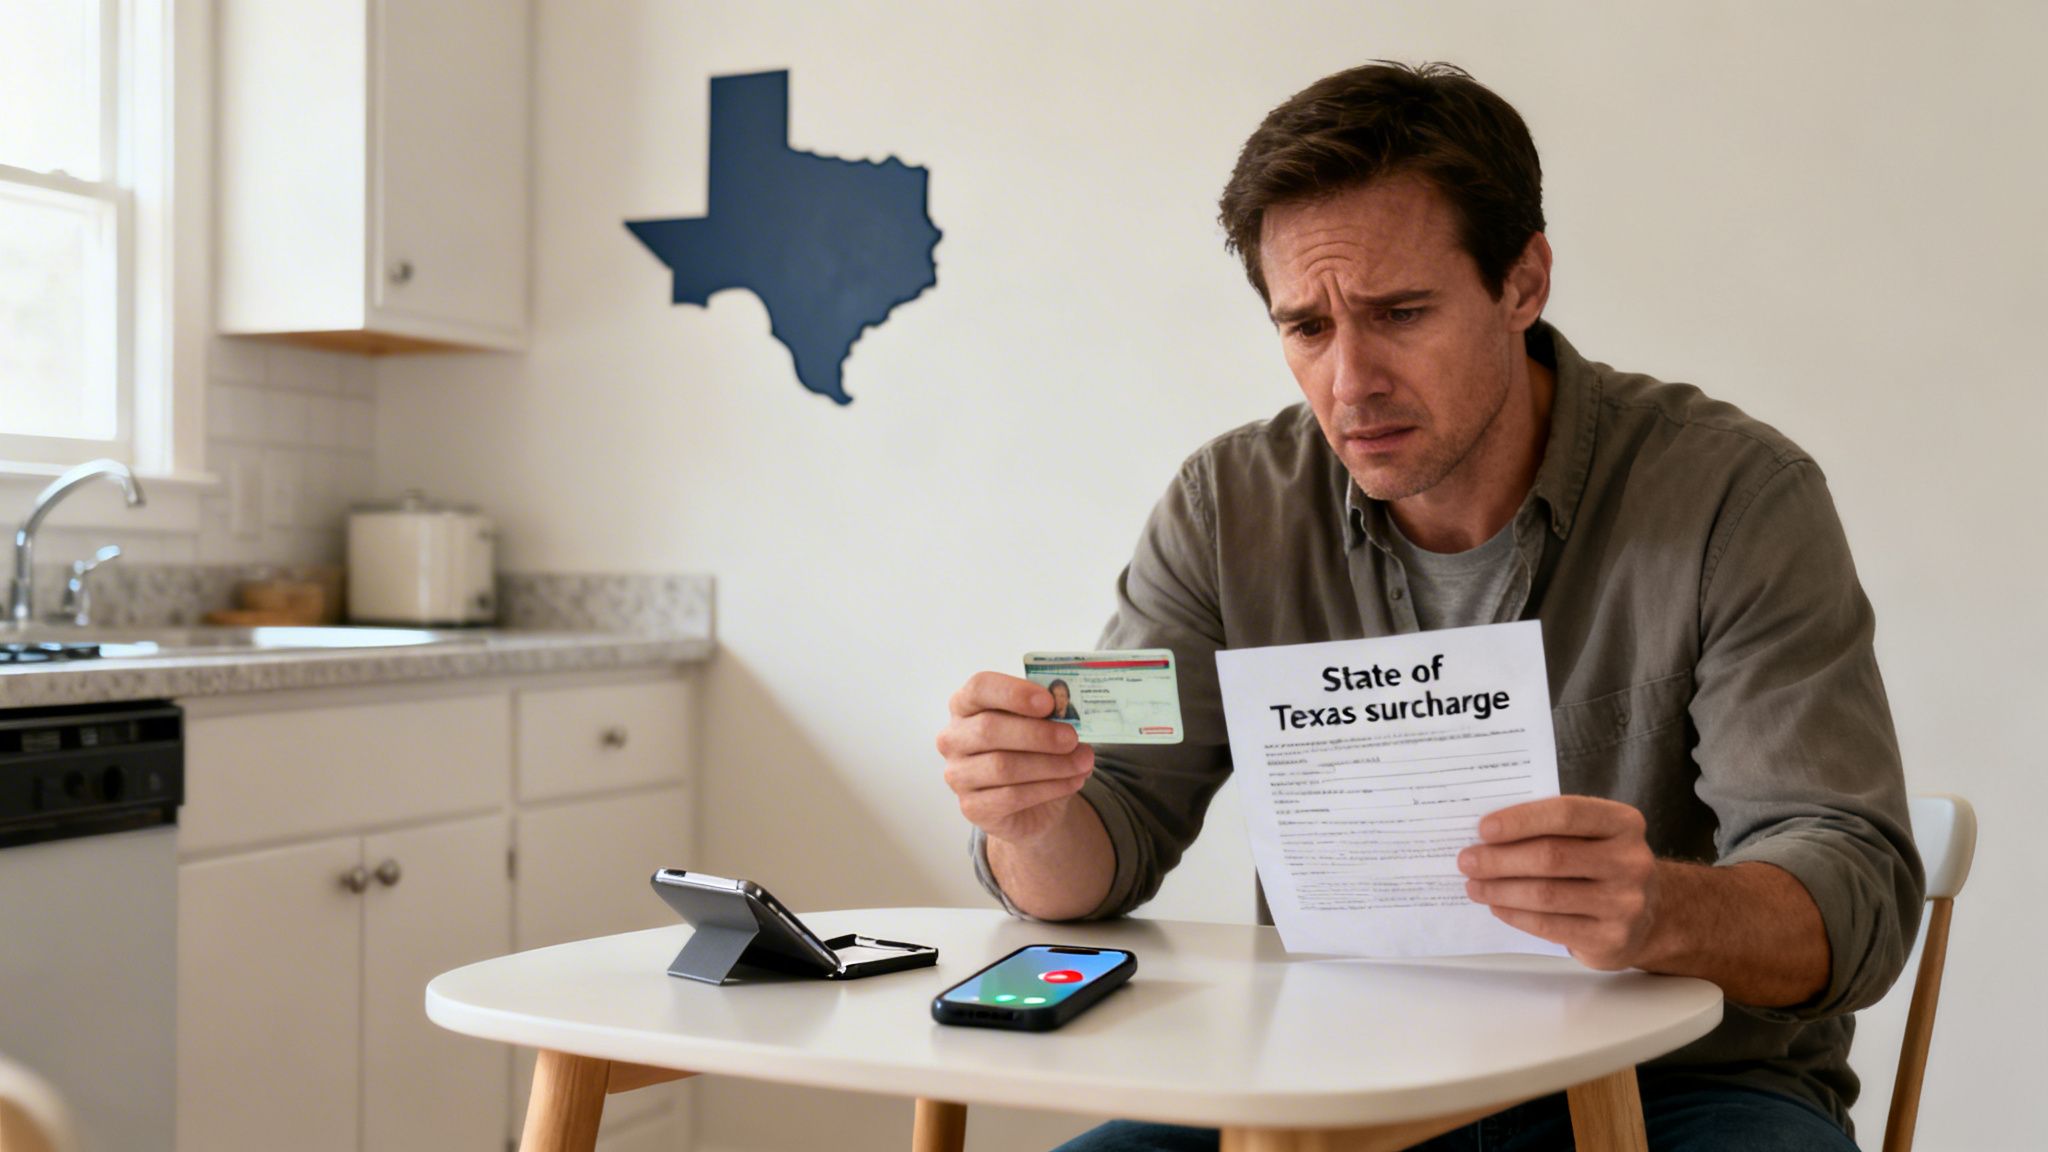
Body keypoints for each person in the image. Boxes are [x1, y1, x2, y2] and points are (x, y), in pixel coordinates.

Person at [935, 61, 1923, 1151]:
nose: (1350, 381)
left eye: (1400, 313)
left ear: (1522, 282)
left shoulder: (1731, 497)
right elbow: (1100, 845)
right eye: (1305, 327)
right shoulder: (1228, 509)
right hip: (1343, 1080)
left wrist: (1656, 910)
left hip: (1681, 1088)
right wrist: (1032, 818)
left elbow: (1856, 896)